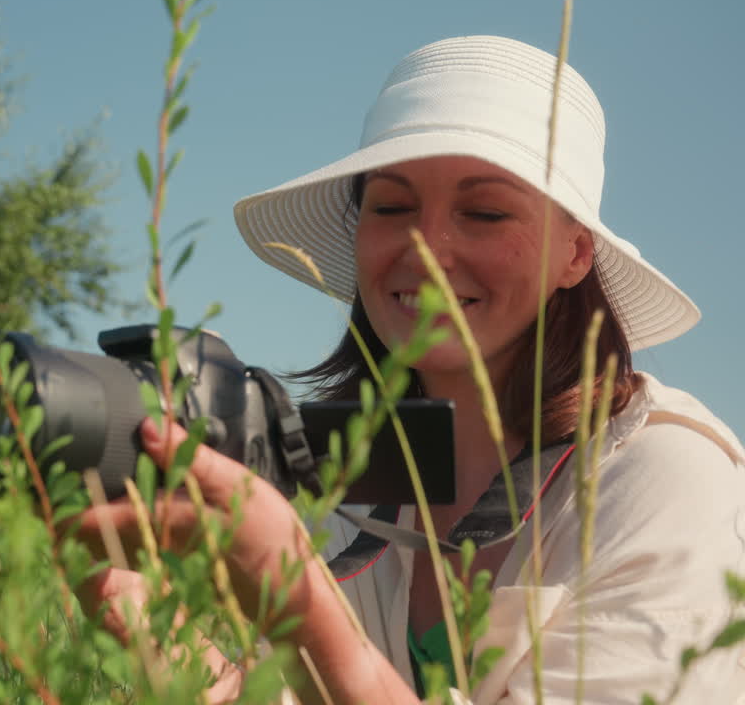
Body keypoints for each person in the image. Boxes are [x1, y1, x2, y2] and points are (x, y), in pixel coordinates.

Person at [74, 35, 745, 704]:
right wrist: (169, 648)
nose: (426, 250)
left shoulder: (663, 477)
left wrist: (294, 597)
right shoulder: (359, 488)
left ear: (576, 254)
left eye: (483, 212)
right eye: (391, 207)